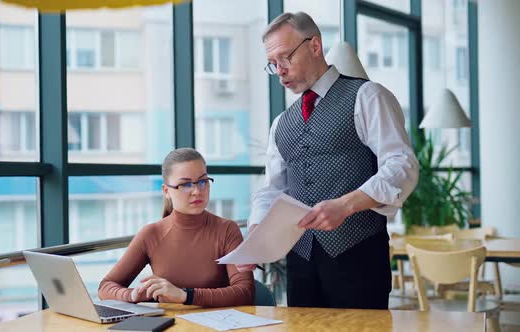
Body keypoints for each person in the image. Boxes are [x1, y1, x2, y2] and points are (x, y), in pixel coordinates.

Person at [237, 12, 419, 310]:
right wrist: (256, 231)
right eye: (273, 64)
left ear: (315, 46)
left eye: (286, 58)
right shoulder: (281, 123)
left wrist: (346, 205)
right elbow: (274, 187)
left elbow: (402, 165)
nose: (280, 70)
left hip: (358, 256)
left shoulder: (366, 96)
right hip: (300, 260)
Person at [99, 148, 254, 307]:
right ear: (166, 191)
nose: (197, 191)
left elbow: (245, 293)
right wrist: (132, 295)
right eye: (186, 184)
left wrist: (185, 295)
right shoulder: (151, 234)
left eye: (203, 181)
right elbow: (106, 287)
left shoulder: (227, 229)